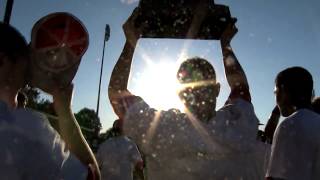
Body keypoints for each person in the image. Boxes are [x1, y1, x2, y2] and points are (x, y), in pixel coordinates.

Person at [108, 12, 267, 180]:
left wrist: (130, 42)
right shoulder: (238, 126)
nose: (197, 93)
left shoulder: (161, 129)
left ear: (179, 93)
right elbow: (240, 87)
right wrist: (225, 44)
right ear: (217, 89)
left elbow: (116, 92)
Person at [0, 22, 100, 179]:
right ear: (2, 61)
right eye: (24, 59)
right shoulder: (26, 127)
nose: (28, 67)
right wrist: (65, 111)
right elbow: (91, 176)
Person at [266, 67, 320, 180]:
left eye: (275, 92)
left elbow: (277, 177)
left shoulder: (289, 125)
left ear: (284, 91)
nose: (276, 100)